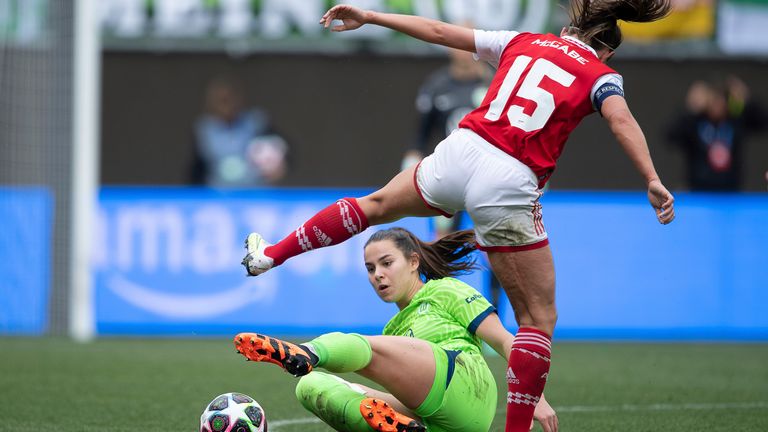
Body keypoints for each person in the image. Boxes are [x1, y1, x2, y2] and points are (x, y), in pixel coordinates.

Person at [241, 2, 676, 431]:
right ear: (607, 51)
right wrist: (652, 178)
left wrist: (371, 17)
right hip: (509, 175)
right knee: (537, 321)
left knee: (372, 206)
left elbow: (436, 31)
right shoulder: (602, 75)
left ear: (568, 30)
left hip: (462, 149)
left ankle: (270, 255)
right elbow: (621, 121)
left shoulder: (522, 41)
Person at [235, 228, 558, 432]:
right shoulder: (394, 327)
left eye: (387, 263)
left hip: (468, 388)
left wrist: (535, 397)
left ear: (414, 262)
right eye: (370, 268)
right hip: (433, 417)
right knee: (310, 385)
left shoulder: (445, 290)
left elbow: (505, 339)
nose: (377, 275)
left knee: (365, 348)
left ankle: (307, 352)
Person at [666, 77, 766, 191]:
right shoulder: (694, 121)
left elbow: (763, 122)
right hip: (697, 191)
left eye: (721, 99)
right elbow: (670, 136)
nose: (717, 105)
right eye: (713, 100)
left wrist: (746, 100)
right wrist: (690, 109)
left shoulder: (736, 120)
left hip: (731, 192)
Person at [190, 76, 288, 187]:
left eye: (229, 99)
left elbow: (284, 150)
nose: (226, 106)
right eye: (221, 100)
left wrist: (279, 165)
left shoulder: (256, 123)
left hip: (255, 194)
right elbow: (196, 170)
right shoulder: (205, 129)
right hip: (219, 195)